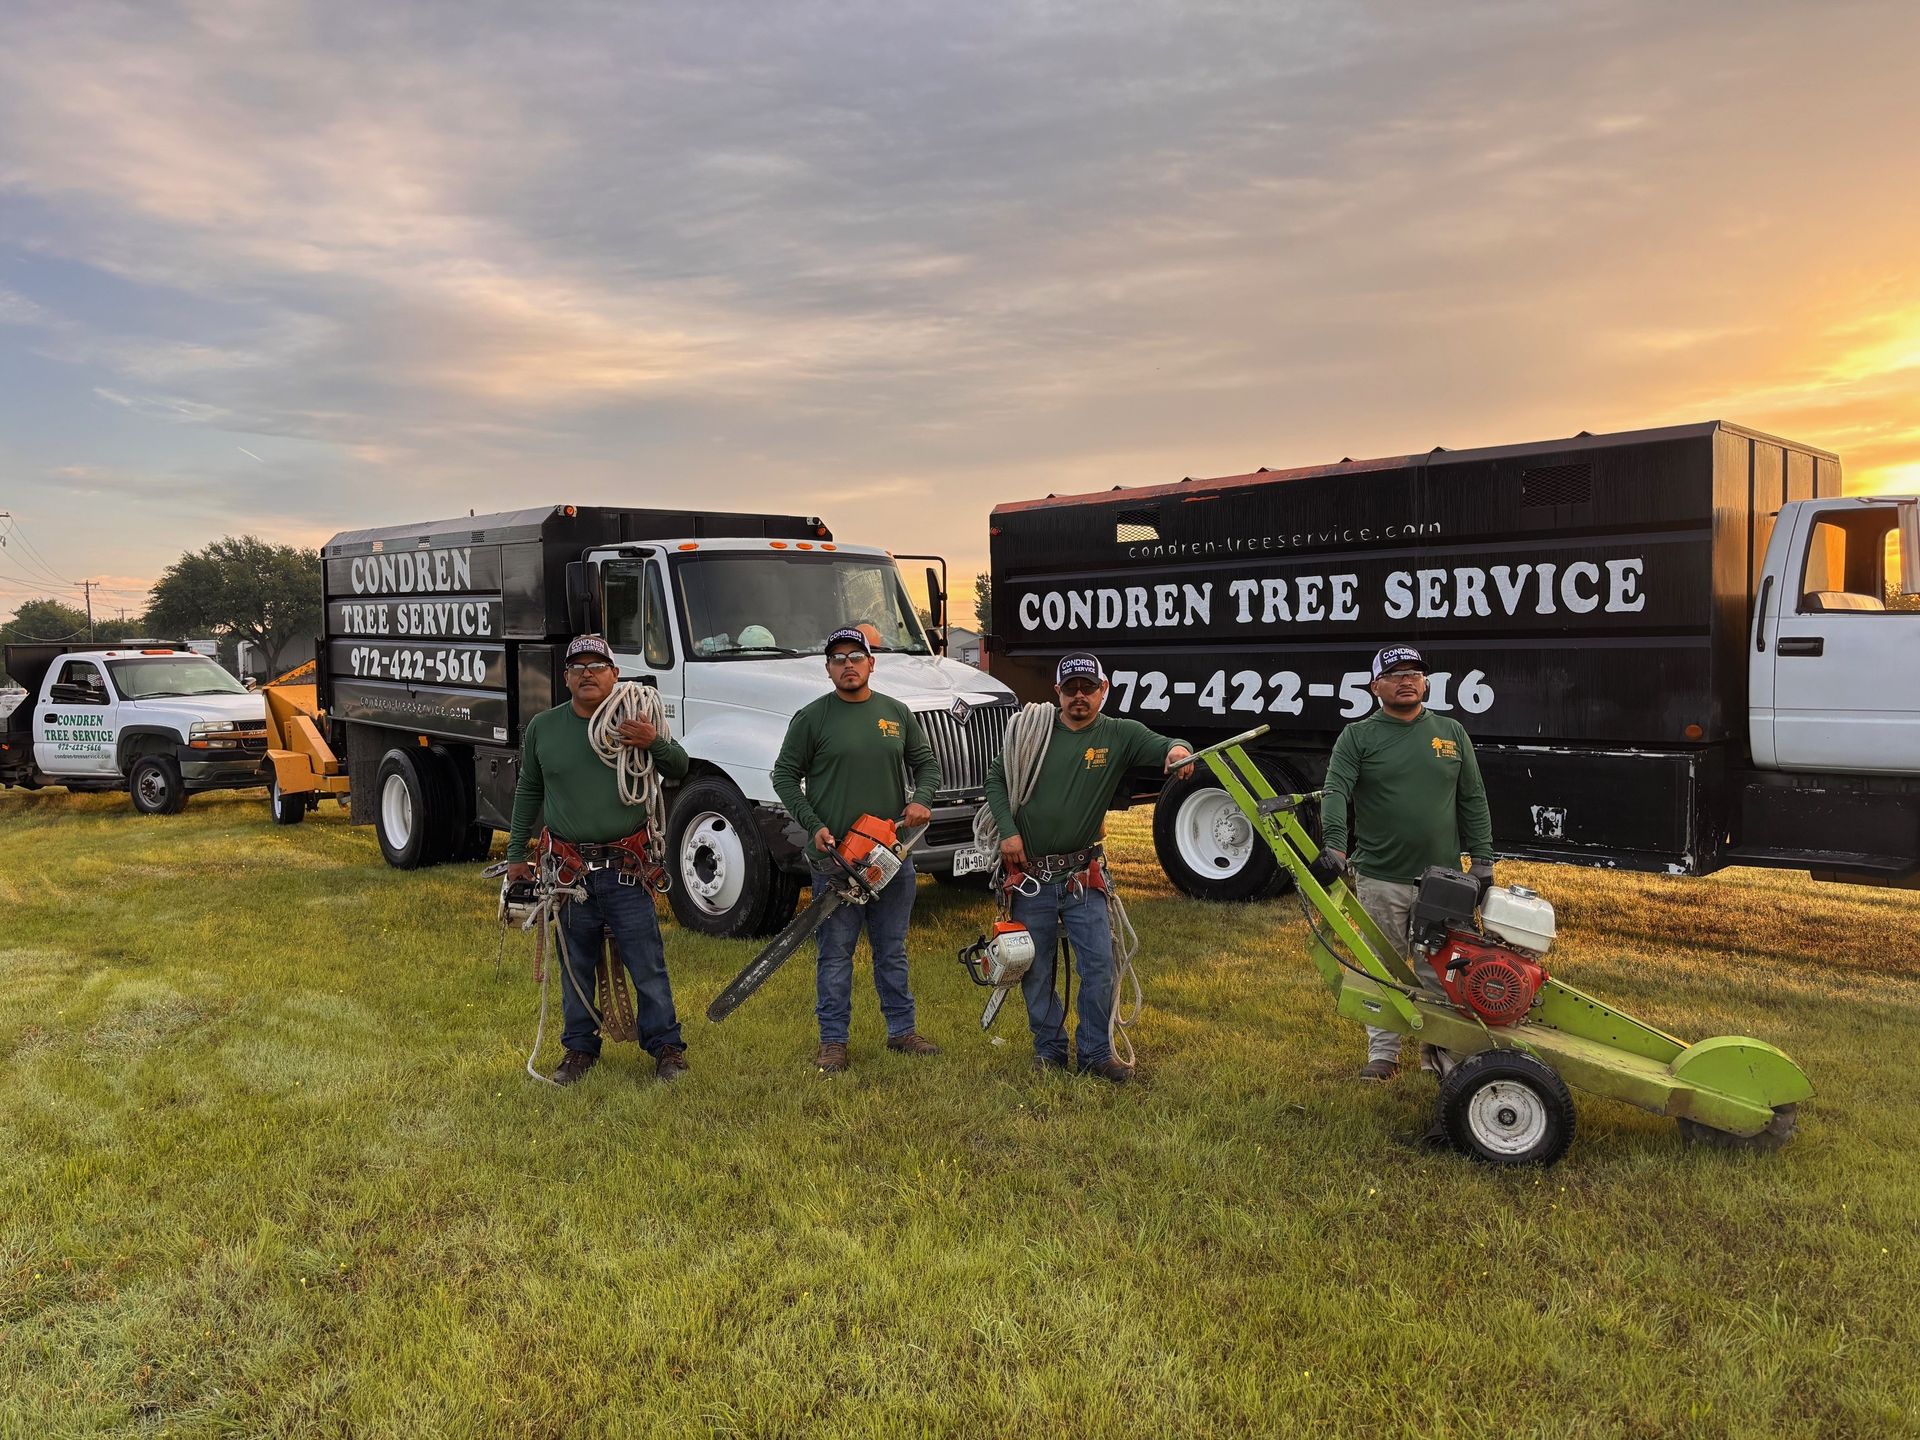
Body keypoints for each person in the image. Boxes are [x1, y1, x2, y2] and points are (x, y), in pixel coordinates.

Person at [983, 652, 1193, 1082]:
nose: (1079, 696)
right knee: (1035, 968)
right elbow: (996, 779)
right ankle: (1049, 1050)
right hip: (1030, 878)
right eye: (1070, 688)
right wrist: (1007, 831)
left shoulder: (1119, 734)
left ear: (1104, 689)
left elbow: (1166, 745)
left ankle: (1097, 1052)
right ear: (1057, 692)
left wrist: (1179, 751)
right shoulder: (1033, 731)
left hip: (1082, 876)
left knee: (1099, 965)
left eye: (1088, 687)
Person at [506, 634, 693, 1085]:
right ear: (566, 677)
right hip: (570, 874)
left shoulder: (637, 720)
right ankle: (579, 1049)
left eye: (597, 666)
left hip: (626, 869)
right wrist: (515, 854)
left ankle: (666, 1047)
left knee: (647, 963)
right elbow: (529, 789)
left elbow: (679, 767)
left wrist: (653, 742)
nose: (587, 673)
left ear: (615, 674)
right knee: (575, 965)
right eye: (578, 667)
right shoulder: (544, 728)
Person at [1318, 644, 1495, 1081]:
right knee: (1385, 967)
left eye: (1414, 673)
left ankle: (1442, 1055)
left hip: (1444, 881)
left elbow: (1473, 798)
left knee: (1444, 969)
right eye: (1395, 675)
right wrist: (1335, 846)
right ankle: (1383, 1055)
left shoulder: (1451, 732)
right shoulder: (1357, 736)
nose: (1406, 681)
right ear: (1375, 686)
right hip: (1382, 877)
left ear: (1426, 684)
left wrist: (1483, 860)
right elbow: (1336, 791)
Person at [771, 626, 943, 1072]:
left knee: (892, 949)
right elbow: (783, 775)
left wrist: (922, 799)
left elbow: (926, 764)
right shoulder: (812, 718)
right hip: (837, 860)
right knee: (835, 953)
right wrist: (814, 826)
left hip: (889, 857)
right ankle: (833, 1042)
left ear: (871, 663)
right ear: (828, 669)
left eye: (856, 656)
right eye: (838, 658)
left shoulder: (896, 713)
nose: (848, 664)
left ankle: (902, 1031)